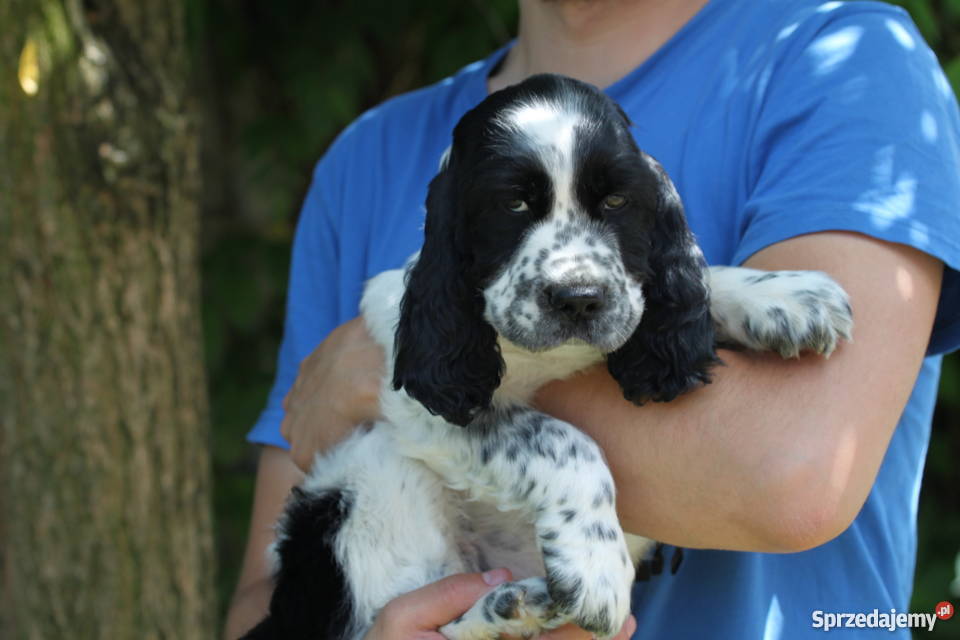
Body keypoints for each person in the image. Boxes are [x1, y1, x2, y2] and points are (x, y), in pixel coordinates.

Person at [224, 0, 960, 638]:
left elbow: (790, 477)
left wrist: (383, 374)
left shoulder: (842, 62)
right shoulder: (367, 160)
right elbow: (271, 600)